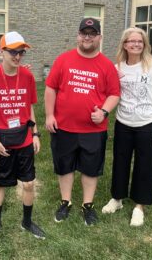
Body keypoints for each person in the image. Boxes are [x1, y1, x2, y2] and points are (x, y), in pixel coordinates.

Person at [44, 18, 120, 225]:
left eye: (92, 33)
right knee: (65, 166)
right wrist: (50, 115)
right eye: (84, 33)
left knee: (90, 167)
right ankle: (65, 202)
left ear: (99, 37)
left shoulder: (106, 65)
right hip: (64, 126)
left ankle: (88, 205)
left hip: (93, 129)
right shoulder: (63, 60)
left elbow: (114, 94)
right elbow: (51, 88)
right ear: (78, 35)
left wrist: (104, 111)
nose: (87, 37)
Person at [102, 27, 152, 226]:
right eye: (131, 41)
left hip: (147, 123)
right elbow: (110, 93)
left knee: (145, 164)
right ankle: (117, 199)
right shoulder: (117, 68)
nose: (135, 44)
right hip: (124, 123)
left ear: (144, 44)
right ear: (124, 44)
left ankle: (139, 206)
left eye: (139, 41)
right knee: (120, 161)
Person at [0, 31, 45, 242]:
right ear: (2, 52)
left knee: (28, 184)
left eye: (21, 52)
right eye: (13, 52)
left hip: (24, 139)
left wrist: (35, 133)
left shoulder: (27, 76)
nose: (17, 56)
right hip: (1, 141)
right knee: (0, 185)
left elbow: (30, 108)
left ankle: (27, 222)